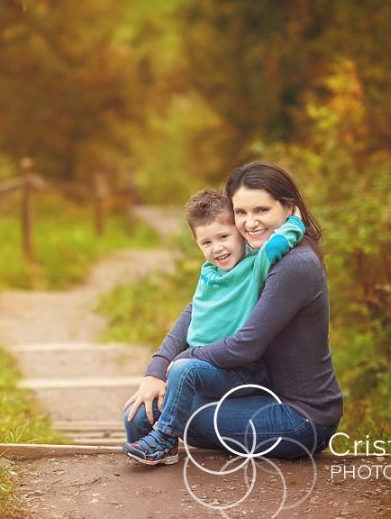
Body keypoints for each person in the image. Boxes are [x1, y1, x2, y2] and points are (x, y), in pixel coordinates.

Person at [122, 162, 343, 466]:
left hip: (301, 417)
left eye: (261, 210)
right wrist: (155, 372)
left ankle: (162, 443)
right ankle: (159, 450)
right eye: (241, 212)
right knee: (139, 413)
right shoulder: (254, 253)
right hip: (258, 395)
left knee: (156, 414)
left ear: (288, 208)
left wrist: (182, 362)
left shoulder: (294, 264)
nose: (250, 223)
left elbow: (246, 345)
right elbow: (195, 311)